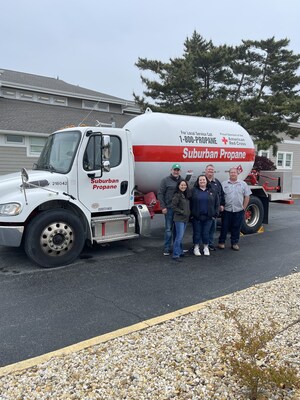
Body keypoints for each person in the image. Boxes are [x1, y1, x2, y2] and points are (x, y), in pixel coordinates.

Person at [218, 167, 252, 251]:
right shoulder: (224, 184)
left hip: (238, 210)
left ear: (237, 173)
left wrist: (244, 208)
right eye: (231, 172)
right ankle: (221, 242)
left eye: (234, 172)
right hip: (227, 210)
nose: (233, 174)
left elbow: (247, 196)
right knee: (224, 227)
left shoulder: (243, 184)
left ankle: (234, 243)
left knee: (236, 227)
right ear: (229, 174)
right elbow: (220, 196)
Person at [190, 175, 219, 256]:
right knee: (197, 233)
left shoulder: (212, 191)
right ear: (198, 182)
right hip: (197, 216)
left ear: (207, 181)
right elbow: (189, 203)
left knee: (206, 233)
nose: (202, 181)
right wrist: (191, 214)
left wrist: (215, 214)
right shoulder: (193, 191)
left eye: (203, 180)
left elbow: (217, 203)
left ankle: (206, 247)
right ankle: (196, 247)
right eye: (200, 180)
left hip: (208, 216)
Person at [157, 164, 183, 256]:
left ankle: (178, 248)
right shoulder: (165, 180)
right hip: (169, 208)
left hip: (179, 210)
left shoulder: (182, 180)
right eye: (174, 170)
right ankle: (167, 248)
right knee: (168, 229)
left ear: (180, 171)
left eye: (178, 170)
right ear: (171, 170)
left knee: (178, 230)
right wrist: (163, 207)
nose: (176, 172)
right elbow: (160, 194)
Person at [205, 164, 225, 251]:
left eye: (212, 170)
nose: (210, 171)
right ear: (205, 171)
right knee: (203, 228)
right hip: (204, 210)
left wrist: (221, 204)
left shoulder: (217, 182)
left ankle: (210, 244)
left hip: (214, 210)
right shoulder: (201, 180)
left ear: (214, 172)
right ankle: (202, 245)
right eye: (209, 170)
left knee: (212, 228)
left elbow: (221, 194)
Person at [171, 180, 190, 262]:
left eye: (185, 185)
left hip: (185, 218)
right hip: (179, 219)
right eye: (181, 185)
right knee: (179, 237)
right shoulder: (177, 195)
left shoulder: (185, 195)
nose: (183, 186)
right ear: (178, 186)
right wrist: (182, 212)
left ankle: (180, 251)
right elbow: (173, 206)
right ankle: (175, 254)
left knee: (180, 236)